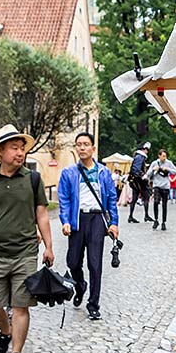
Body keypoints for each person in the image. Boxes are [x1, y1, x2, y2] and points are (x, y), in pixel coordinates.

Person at [0, 124, 54, 353]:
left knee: (21, 306)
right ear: (1, 151)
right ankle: (5, 330)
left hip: (25, 253)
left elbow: (42, 213)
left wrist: (49, 246)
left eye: (22, 148)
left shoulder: (32, 179)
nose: (20, 153)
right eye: (14, 148)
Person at [58, 132, 119, 321]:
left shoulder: (103, 172)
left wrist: (113, 223)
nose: (82, 147)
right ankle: (80, 285)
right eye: (79, 144)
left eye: (86, 144)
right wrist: (65, 220)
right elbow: (64, 199)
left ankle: (93, 304)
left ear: (93, 148)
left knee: (95, 264)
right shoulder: (69, 173)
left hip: (97, 220)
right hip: (77, 220)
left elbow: (111, 199)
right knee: (73, 262)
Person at [147, 149, 176, 230]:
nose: (164, 158)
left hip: (165, 186)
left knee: (164, 204)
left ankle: (164, 222)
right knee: (156, 202)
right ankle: (156, 220)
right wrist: (154, 169)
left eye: (165, 156)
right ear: (159, 156)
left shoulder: (169, 163)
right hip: (157, 185)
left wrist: (168, 169)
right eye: (163, 156)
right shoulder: (154, 163)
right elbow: (148, 174)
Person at [128, 142, 153, 223]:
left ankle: (131, 216)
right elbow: (136, 169)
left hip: (136, 181)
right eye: (147, 150)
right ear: (144, 149)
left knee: (135, 198)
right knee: (146, 196)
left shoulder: (138, 157)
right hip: (139, 181)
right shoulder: (140, 157)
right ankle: (146, 216)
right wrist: (143, 176)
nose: (147, 152)